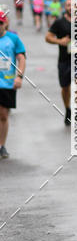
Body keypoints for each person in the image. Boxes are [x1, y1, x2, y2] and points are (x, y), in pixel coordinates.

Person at [0, 9, 26, 159]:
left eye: (0, 23)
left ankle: (2, 145)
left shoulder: (13, 39)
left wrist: (19, 77)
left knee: (3, 114)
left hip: (7, 83)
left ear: (5, 23)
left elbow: (21, 58)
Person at [45, 0, 73, 125]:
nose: (71, 7)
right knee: (65, 87)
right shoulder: (59, 22)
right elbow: (48, 37)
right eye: (68, 5)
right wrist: (60, 41)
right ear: (65, 7)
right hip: (64, 60)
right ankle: (68, 108)